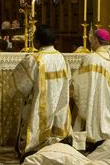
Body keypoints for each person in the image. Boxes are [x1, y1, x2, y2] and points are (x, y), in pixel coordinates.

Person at [12, 24, 71, 157]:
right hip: (58, 102)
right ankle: (56, 146)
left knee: (32, 116)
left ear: (37, 41)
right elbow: (68, 80)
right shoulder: (62, 57)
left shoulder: (34, 59)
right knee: (57, 120)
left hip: (38, 102)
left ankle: (34, 147)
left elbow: (22, 85)